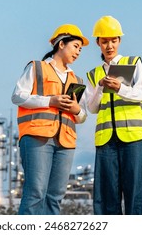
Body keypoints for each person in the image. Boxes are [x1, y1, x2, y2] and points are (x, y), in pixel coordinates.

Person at [11, 24, 89, 215]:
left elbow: (82, 116)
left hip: (66, 143)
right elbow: (17, 96)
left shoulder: (77, 81)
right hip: (38, 137)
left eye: (80, 48)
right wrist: (50, 101)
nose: (78, 51)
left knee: (55, 197)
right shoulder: (37, 68)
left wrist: (76, 109)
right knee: (36, 193)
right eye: (76, 46)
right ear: (61, 44)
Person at [85, 16, 142, 215]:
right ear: (98, 43)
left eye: (113, 40)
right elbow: (92, 108)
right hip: (106, 142)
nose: (109, 45)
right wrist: (100, 89)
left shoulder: (133, 63)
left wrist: (120, 87)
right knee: (107, 197)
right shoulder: (94, 74)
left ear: (119, 41)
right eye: (105, 41)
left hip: (133, 138)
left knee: (133, 193)